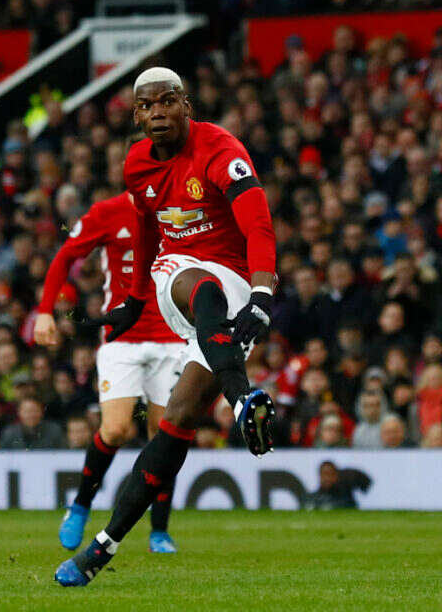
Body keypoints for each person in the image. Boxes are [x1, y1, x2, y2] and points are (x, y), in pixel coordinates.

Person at [55, 67, 277, 586]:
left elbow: (258, 224)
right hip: (177, 272)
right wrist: (135, 300)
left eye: (167, 101)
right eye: (147, 105)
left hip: (239, 283)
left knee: (177, 421)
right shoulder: (136, 163)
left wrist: (263, 293)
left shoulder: (221, 151)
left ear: (186, 106)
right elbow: (147, 227)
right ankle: (243, 400)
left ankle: (101, 549)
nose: (157, 112)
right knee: (203, 288)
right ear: (136, 115)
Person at [34, 192, 186, 554]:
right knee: (116, 429)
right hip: (122, 339)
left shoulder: (181, 208)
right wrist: (45, 311)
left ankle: (159, 531)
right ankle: (80, 505)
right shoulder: (108, 212)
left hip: (172, 338)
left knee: (165, 436)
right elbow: (65, 256)